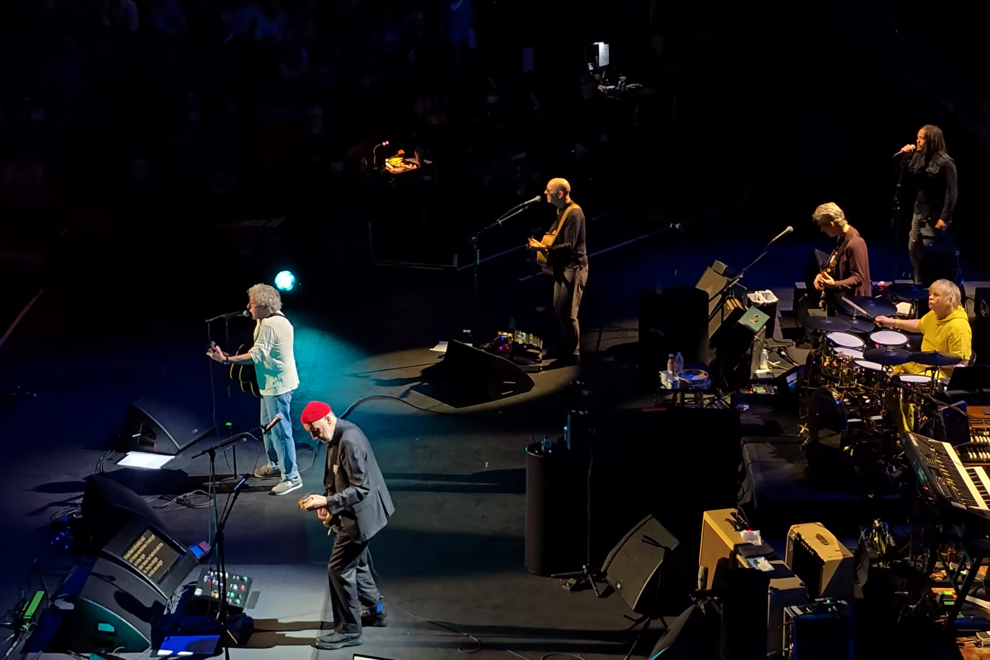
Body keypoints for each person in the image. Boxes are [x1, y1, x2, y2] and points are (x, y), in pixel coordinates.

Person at [298, 401, 394, 650]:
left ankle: (349, 630)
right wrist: (327, 505)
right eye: (309, 431)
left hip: (360, 518)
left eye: (315, 429)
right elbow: (336, 474)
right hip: (356, 513)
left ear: (328, 419)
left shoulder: (349, 440)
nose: (314, 436)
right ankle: (376, 611)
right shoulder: (336, 435)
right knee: (357, 563)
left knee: (339, 569)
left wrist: (329, 501)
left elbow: (361, 487)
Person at [207, 284, 300, 495]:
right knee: (267, 426)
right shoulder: (267, 320)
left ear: (266, 307)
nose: (248, 307)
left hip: (277, 387)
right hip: (270, 385)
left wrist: (226, 360)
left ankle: (292, 477)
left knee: (280, 432)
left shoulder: (270, 325)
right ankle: (275, 464)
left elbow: (257, 355)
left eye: (253, 304)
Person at [526, 178, 588, 364]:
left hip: (574, 267)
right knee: (559, 309)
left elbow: (569, 245)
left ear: (559, 194)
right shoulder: (561, 211)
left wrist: (543, 249)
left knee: (569, 313)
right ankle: (565, 347)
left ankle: (573, 354)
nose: (545, 193)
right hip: (563, 267)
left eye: (548, 191)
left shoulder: (574, 213)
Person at [896, 124, 959, 284]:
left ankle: (934, 283)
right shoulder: (918, 157)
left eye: (922, 138)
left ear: (931, 139)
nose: (918, 141)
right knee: (913, 247)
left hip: (935, 217)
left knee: (931, 254)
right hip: (919, 213)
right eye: (917, 137)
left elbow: (952, 193)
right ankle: (918, 280)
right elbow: (906, 180)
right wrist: (905, 158)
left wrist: (945, 217)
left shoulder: (946, 163)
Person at [875, 279, 972, 379]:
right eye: (930, 294)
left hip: (940, 374)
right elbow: (920, 324)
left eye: (936, 295)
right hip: (921, 365)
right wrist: (891, 322)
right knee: (889, 369)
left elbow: (962, 363)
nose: (930, 297)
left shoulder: (959, 327)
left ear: (949, 300)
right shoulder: (936, 314)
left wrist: (932, 363)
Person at [811, 202, 872, 311]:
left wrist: (834, 284)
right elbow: (833, 262)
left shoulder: (855, 243)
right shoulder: (842, 238)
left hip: (855, 306)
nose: (821, 230)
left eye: (822, 226)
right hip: (844, 302)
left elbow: (858, 278)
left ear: (832, 224)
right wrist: (821, 275)